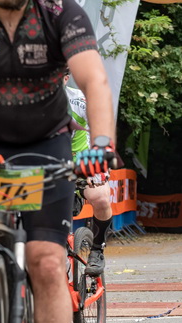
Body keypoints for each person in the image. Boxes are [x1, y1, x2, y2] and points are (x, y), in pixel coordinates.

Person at [0, 0, 115, 323]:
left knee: (46, 260)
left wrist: (100, 145)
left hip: (47, 145)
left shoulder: (60, 14)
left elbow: (94, 80)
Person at [65, 72, 113, 276]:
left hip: (82, 160)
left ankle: (97, 249)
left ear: (65, 78)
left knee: (100, 197)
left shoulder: (80, 100)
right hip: (46, 162)